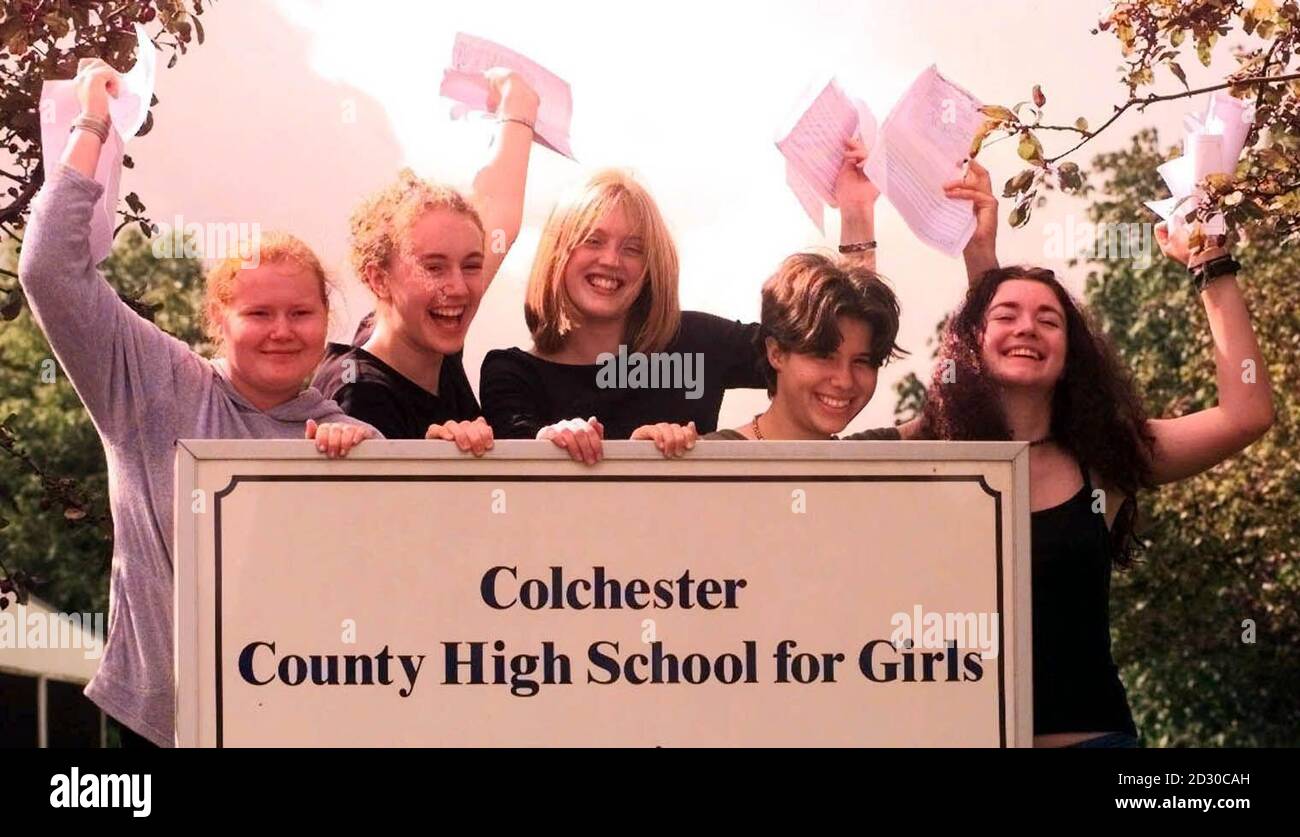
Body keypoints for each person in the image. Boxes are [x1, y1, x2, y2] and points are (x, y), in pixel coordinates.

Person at [18, 60, 379, 747]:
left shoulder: (348, 433)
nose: (281, 330)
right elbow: (48, 269)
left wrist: (362, 468)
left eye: (300, 312)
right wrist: (93, 121)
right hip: (159, 722)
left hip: (301, 724)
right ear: (220, 319)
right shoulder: (155, 385)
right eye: (258, 312)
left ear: (325, 318)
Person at [480, 137, 963, 462]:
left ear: (652, 267)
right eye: (593, 240)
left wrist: (857, 213)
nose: (612, 261)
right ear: (559, 250)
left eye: (633, 249)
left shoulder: (693, 341)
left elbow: (826, 341)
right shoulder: (509, 372)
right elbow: (522, 460)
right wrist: (610, 450)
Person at [312, 70, 538, 456]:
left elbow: (497, 210)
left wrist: (518, 107)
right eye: (433, 267)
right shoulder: (359, 393)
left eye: (471, 265)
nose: (458, 287)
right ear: (379, 279)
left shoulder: (424, 334)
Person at [704, 252, 903, 440]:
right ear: (776, 353)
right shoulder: (703, 466)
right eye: (824, 356)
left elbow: (922, 427)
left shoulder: (868, 466)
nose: (845, 381)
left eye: (861, 361)